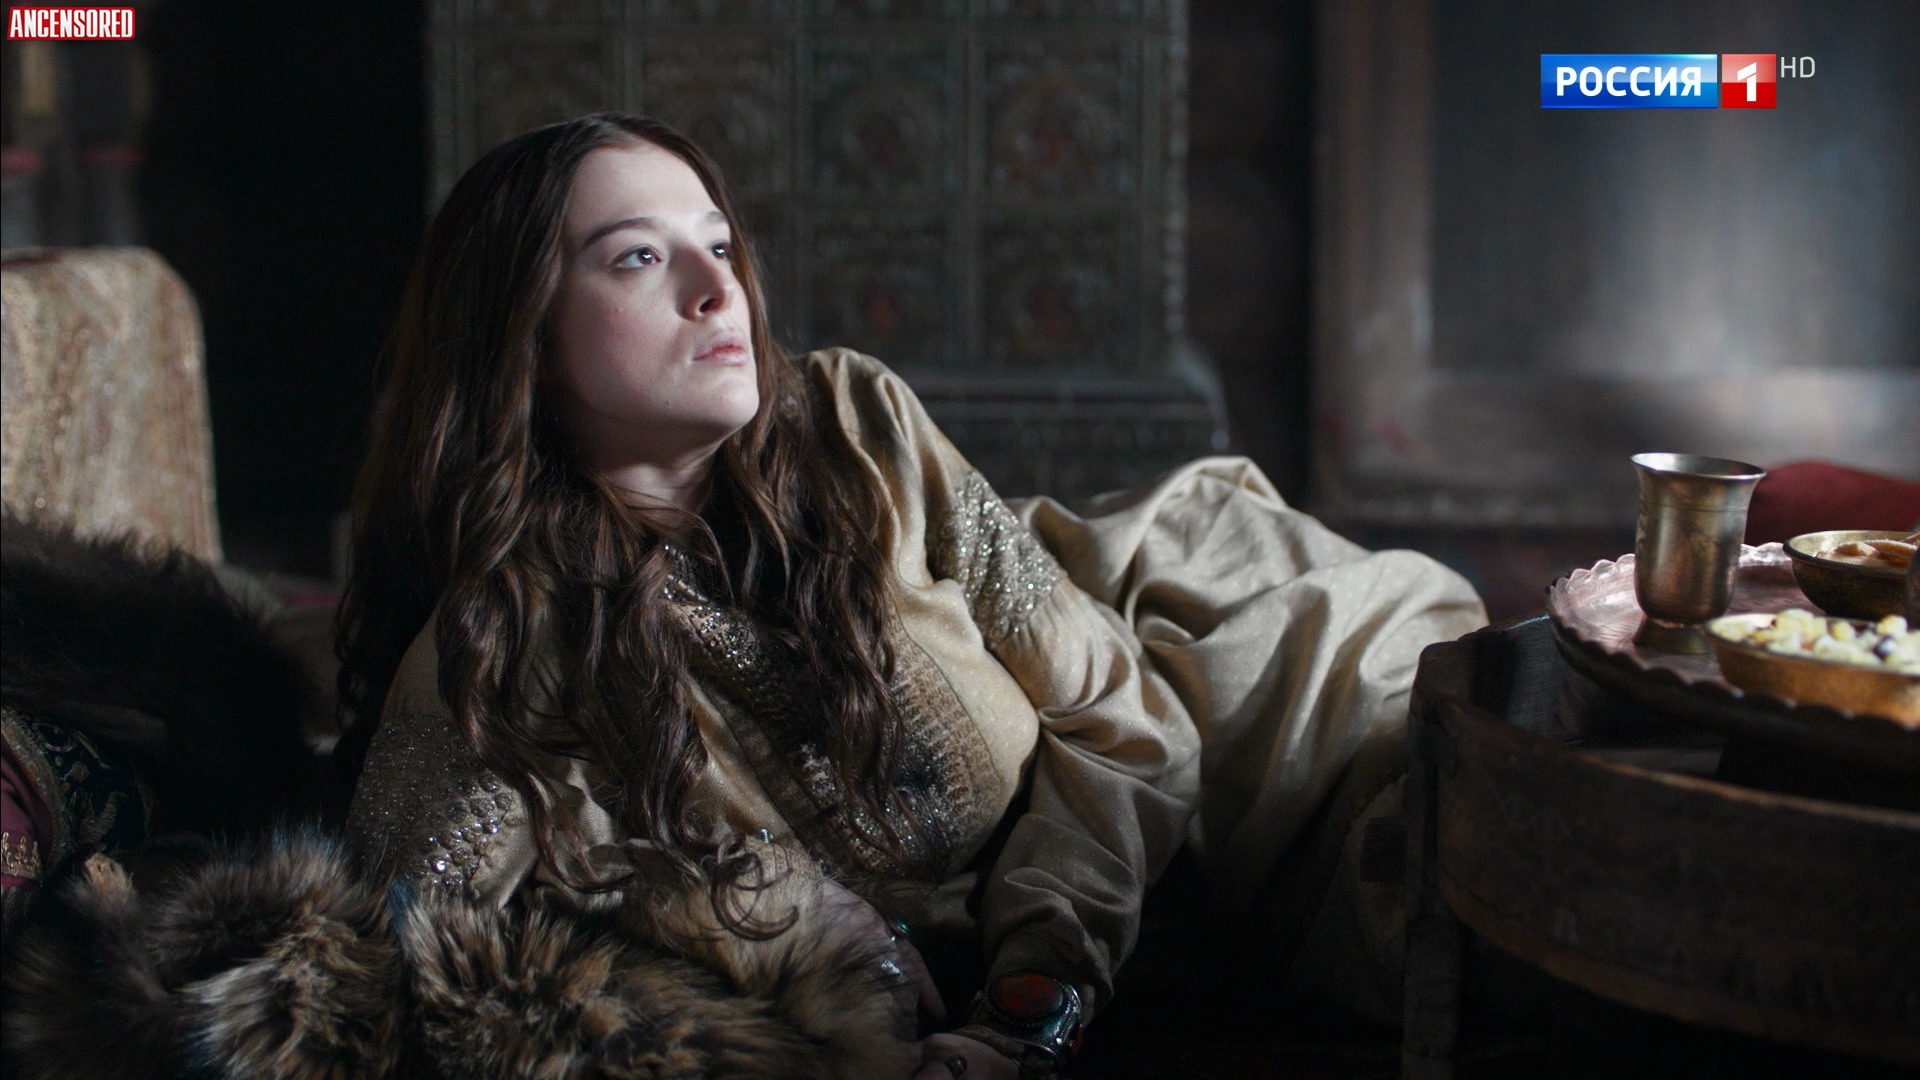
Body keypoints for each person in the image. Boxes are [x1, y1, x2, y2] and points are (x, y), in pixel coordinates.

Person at [338, 113, 1485, 1079]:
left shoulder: (855, 428)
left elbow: (1122, 718)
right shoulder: (494, 648)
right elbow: (402, 928)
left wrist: (1034, 1000)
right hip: (1134, 826)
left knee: (1456, 789)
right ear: (524, 336)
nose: (716, 289)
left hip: (1203, 638)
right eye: (638, 258)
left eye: (720, 243)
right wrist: (748, 903)